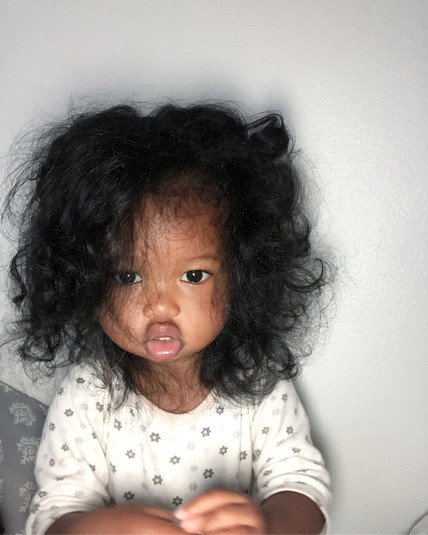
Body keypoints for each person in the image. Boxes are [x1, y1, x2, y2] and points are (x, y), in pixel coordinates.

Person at [6, 102, 331, 534]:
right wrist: (101, 528)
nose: (160, 306)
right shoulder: (87, 394)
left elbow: (302, 487)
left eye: (193, 276)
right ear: (85, 280)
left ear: (242, 277)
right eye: (128, 276)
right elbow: (53, 515)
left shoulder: (259, 379)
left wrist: (269, 526)